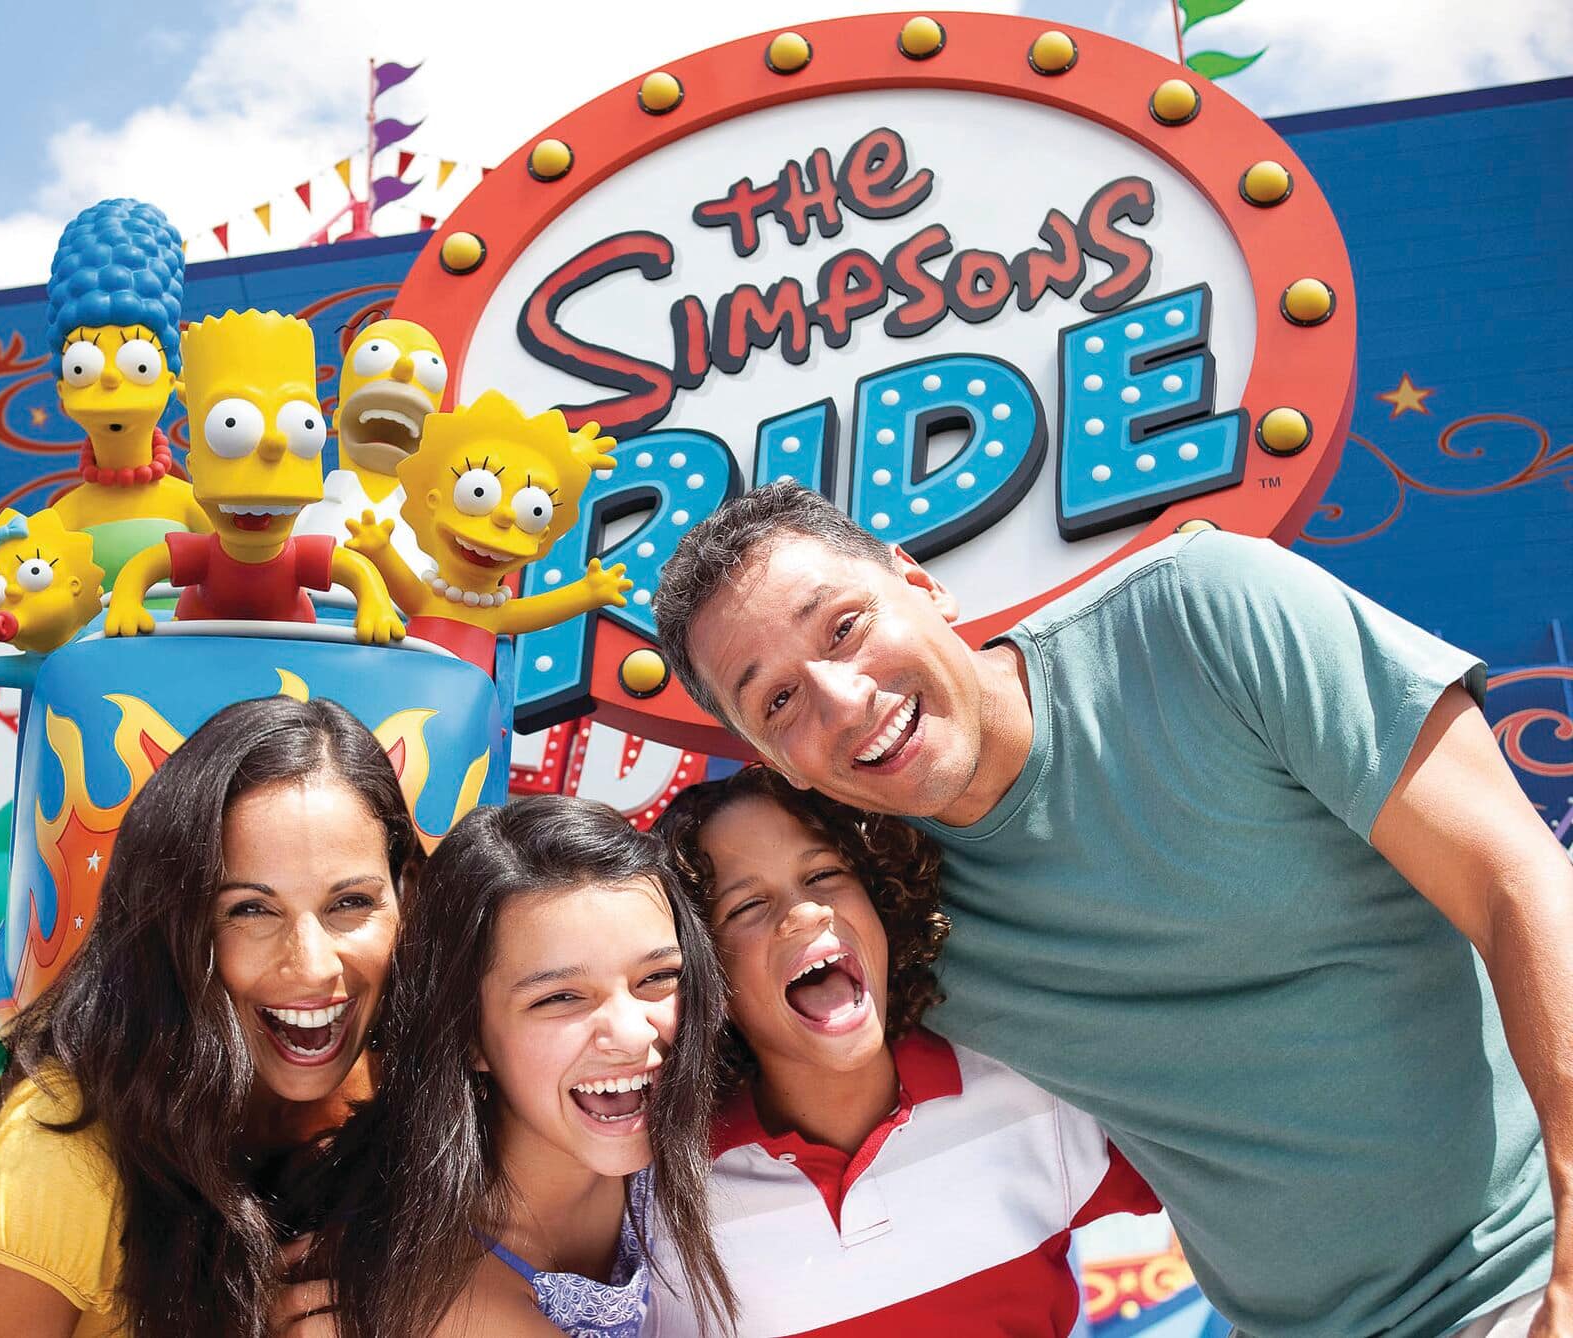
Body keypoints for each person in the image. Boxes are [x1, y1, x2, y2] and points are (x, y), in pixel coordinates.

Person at [651, 480, 1571, 1338]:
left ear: (922, 584)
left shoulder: (1202, 614)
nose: (842, 701)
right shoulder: (879, 911)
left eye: (845, 627)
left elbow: (1518, 881)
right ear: (773, 758)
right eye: (777, 700)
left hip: (1528, 1268)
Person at [0, 695, 421, 1338]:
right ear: (175, 926)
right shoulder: (65, 1153)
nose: (314, 965)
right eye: (250, 911)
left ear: (406, 896)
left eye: (350, 902)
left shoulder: (414, 1088)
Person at [647, 766, 1158, 1335]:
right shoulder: (661, 1198)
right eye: (746, 907)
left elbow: (1249, 1181)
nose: (807, 912)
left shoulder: (1035, 1093)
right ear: (703, 980)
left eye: (824, 874)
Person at [284, 796, 737, 1338]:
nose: (636, 1033)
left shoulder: (722, 1118)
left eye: (657, 978)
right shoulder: (445, 1300)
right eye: (561, 998)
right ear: (468, 1033)